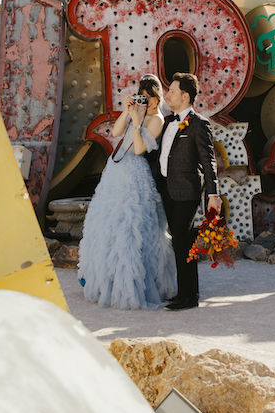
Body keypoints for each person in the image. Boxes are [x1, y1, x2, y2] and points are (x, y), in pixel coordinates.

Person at [77, 75, 177, 309]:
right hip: (115, 171)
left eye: (153, 96)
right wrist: (127, 111)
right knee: (108, 223)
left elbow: (140, 148)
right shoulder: (139, 113)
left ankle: (132, 283)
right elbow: (115, 133)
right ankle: (104, 278)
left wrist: (137, 122)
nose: (149, 101)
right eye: (145, 96)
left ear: (158, 96)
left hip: (135, 174)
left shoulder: (158, 119)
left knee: (132, 226)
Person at [154, 72, 223, 311]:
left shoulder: (198, 124)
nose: (167, 95)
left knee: (184, 241)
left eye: (172, 91)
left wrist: (213, 194)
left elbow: (208, 161)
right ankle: (183, 292)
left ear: (185, 95)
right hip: (167, 189)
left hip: (187, 191)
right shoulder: (169, 122)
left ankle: (190, 296)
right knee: (179, 242)